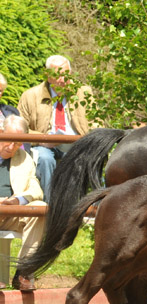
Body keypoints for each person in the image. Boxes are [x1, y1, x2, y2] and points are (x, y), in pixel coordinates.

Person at [17, 55, 95, 200]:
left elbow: (96, 120)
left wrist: (87, 139)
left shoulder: (83, 92)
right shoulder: (30, 95)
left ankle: (80, 207)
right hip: (45, 145)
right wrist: (42, 140)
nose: (62, 79)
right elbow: (21, 127)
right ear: (47, 76)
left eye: (66, 74)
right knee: (45, 159)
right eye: (57, 75)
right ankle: (50, 207)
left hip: (76, 144)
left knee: (83, 158)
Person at [0, 115, 46, 291]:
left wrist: (15, 200)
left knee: (40, 209)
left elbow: (36, 190)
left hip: (10, 212)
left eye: (18, 143)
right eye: (8, 141)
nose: (12, 147)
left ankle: (24, 271)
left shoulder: (23, 157)